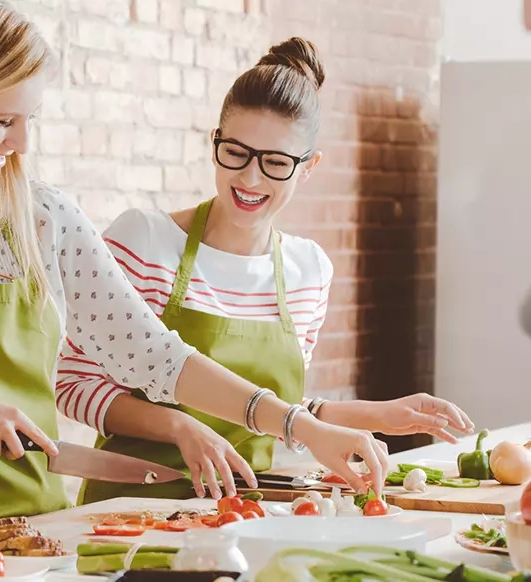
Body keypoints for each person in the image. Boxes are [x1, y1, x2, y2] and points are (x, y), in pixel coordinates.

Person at [0, 0, 396, 533]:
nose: (20, 145)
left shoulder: (45, 221)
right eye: (3, 120)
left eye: (29, 120)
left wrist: (296, 425)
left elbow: (156, 358)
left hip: (42, 539)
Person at [55, 38, 475, 504]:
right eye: (236, 152)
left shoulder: (308, 271)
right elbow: (73, 383)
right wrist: (180, 427)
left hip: (245, 514)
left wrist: (375, 414)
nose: (250, 179)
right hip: (131, 512)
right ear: (214, 140)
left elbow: (279, 411)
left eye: (275, 163)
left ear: (308, 168)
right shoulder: (145, 242)